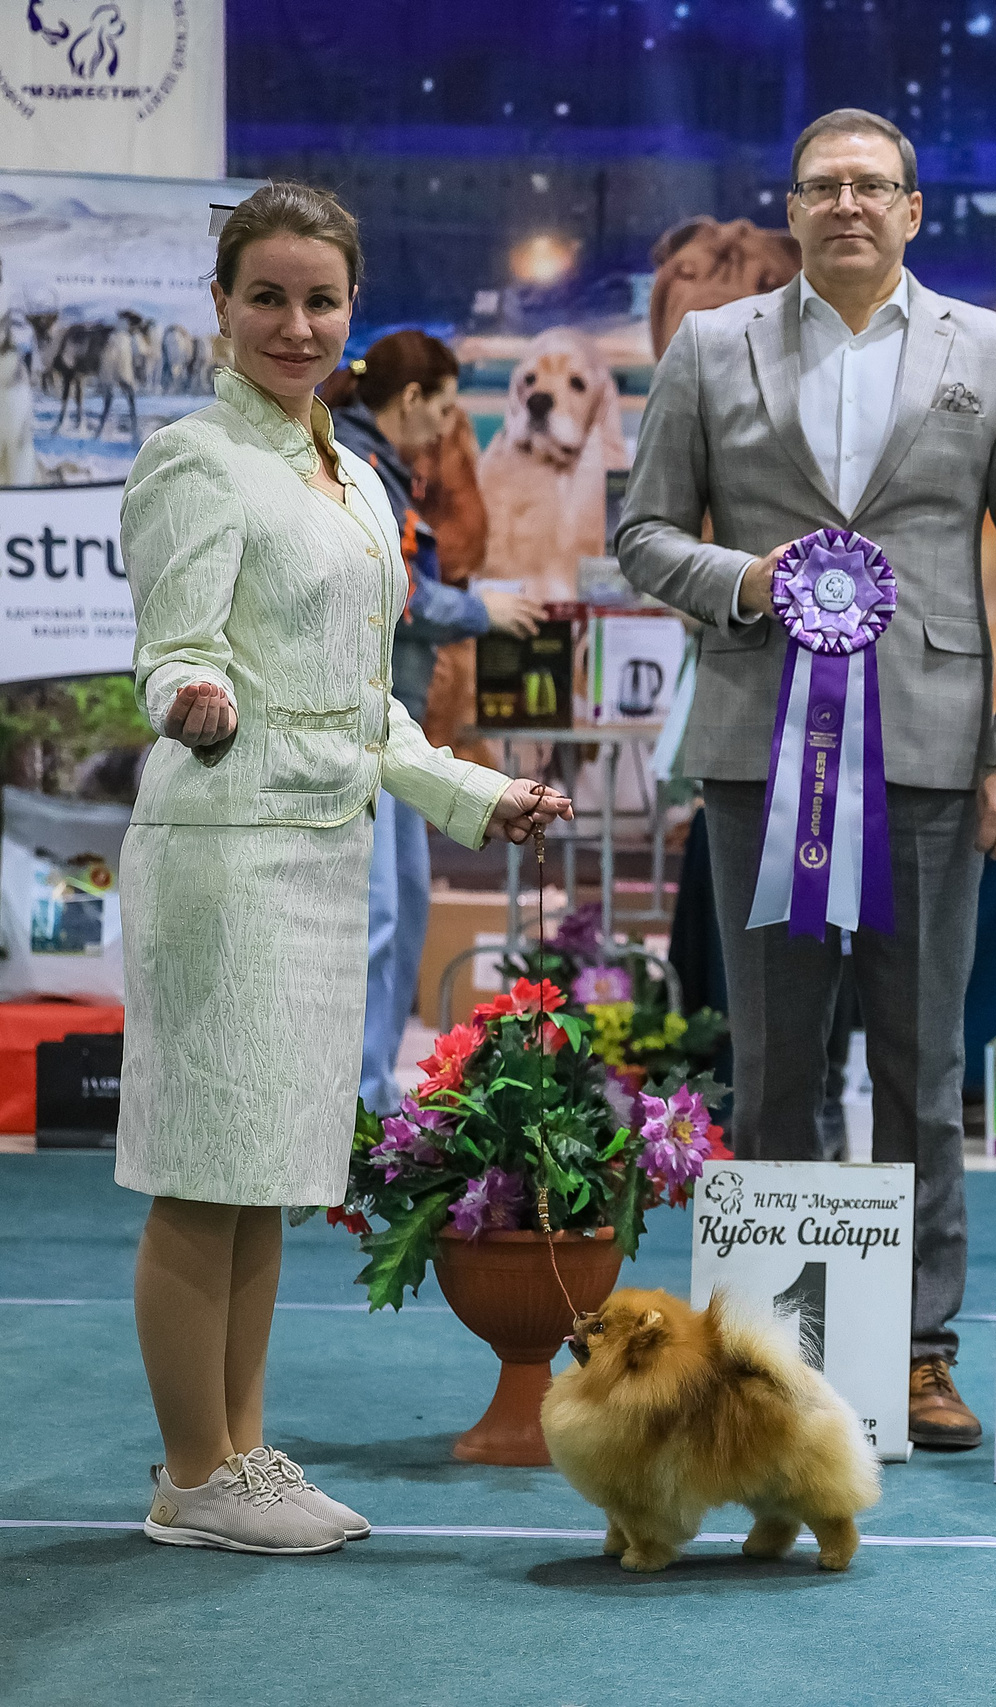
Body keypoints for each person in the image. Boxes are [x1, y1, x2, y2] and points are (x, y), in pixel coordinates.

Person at [118, 182, 572, 1555]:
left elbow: (365, 703)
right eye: (267, 295)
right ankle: (194, 1470)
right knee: (205, 1172)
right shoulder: (196, 459)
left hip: (324, 856)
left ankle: (240, 1454)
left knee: (265, 1169)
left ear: (352, 314)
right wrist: (190, 694)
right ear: (221, 303)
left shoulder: (353, 476)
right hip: (226, 850)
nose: (295, 323)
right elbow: (172, 647)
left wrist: (478, 792)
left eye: (321, 299)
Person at [617, 108, 996, 1451]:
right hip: (760, 759)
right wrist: (747, 581)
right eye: (824, 186)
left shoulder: (990, 351)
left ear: (916, 211)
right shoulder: (711, 349)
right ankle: (767, 1352)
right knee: (770, 1078)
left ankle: (921, 1349)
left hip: (935, 761)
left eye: (875, 185)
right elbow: (639, 534)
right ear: (793, 209)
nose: (850, 204)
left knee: (924, 1075)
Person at [321, 332, 544, 1112]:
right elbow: (397, 595)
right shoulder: (350, 464)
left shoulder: (381, 467)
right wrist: (485, 610)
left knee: (404, 904)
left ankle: (375, 1091)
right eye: (447, 408)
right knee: (377, 914)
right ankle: (358, 1104)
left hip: (400, 728)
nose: (451, 426)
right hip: (357, 721)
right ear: (412, 399)